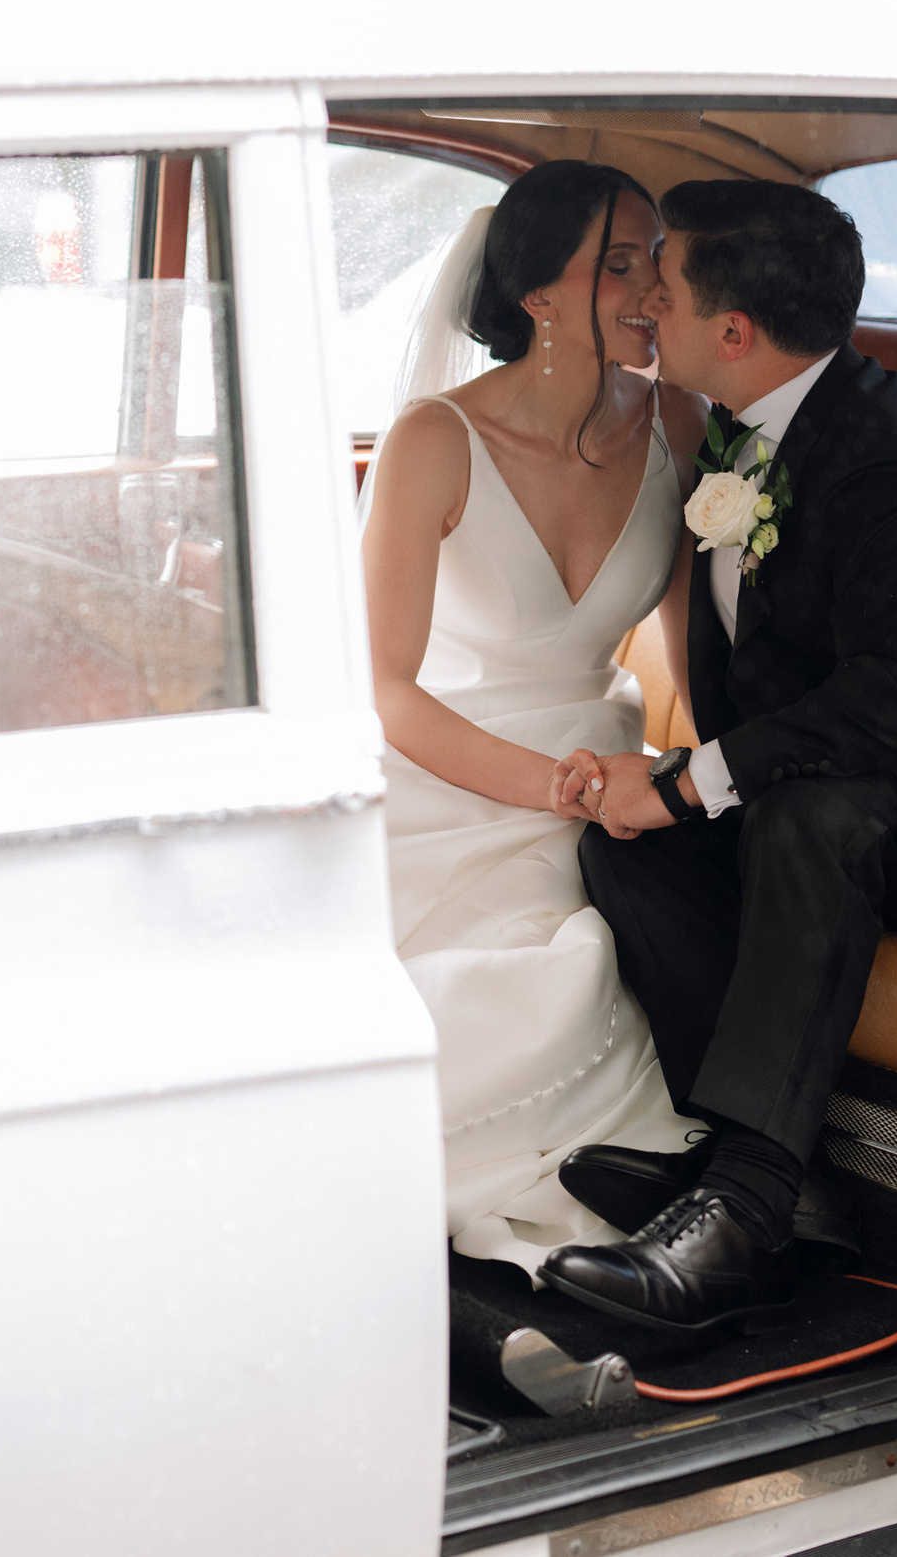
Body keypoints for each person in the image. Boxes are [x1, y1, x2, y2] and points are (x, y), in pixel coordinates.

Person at [538, 181, 897, 1337]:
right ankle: (764, 1175)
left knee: (801, 820)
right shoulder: (747, 424)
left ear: (731, 334)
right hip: (865, 775)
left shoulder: (884, 458)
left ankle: (743, 1210)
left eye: (661, 287)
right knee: (630, 853)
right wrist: (669, 798)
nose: (644, 304)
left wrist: (687, 777)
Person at [358, 159, 708, 1277]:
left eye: (656, 260)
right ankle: (507, 1257)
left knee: (620, 923)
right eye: (617, 266)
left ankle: (602, 1249)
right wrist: (546, 784)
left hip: (611, 768)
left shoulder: (681, 425)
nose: (651, 288)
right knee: (534, 969)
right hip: (451, 772)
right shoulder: (433, 441)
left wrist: (690, 778)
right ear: (538, 297)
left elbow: (697, 658)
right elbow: (387, 689)